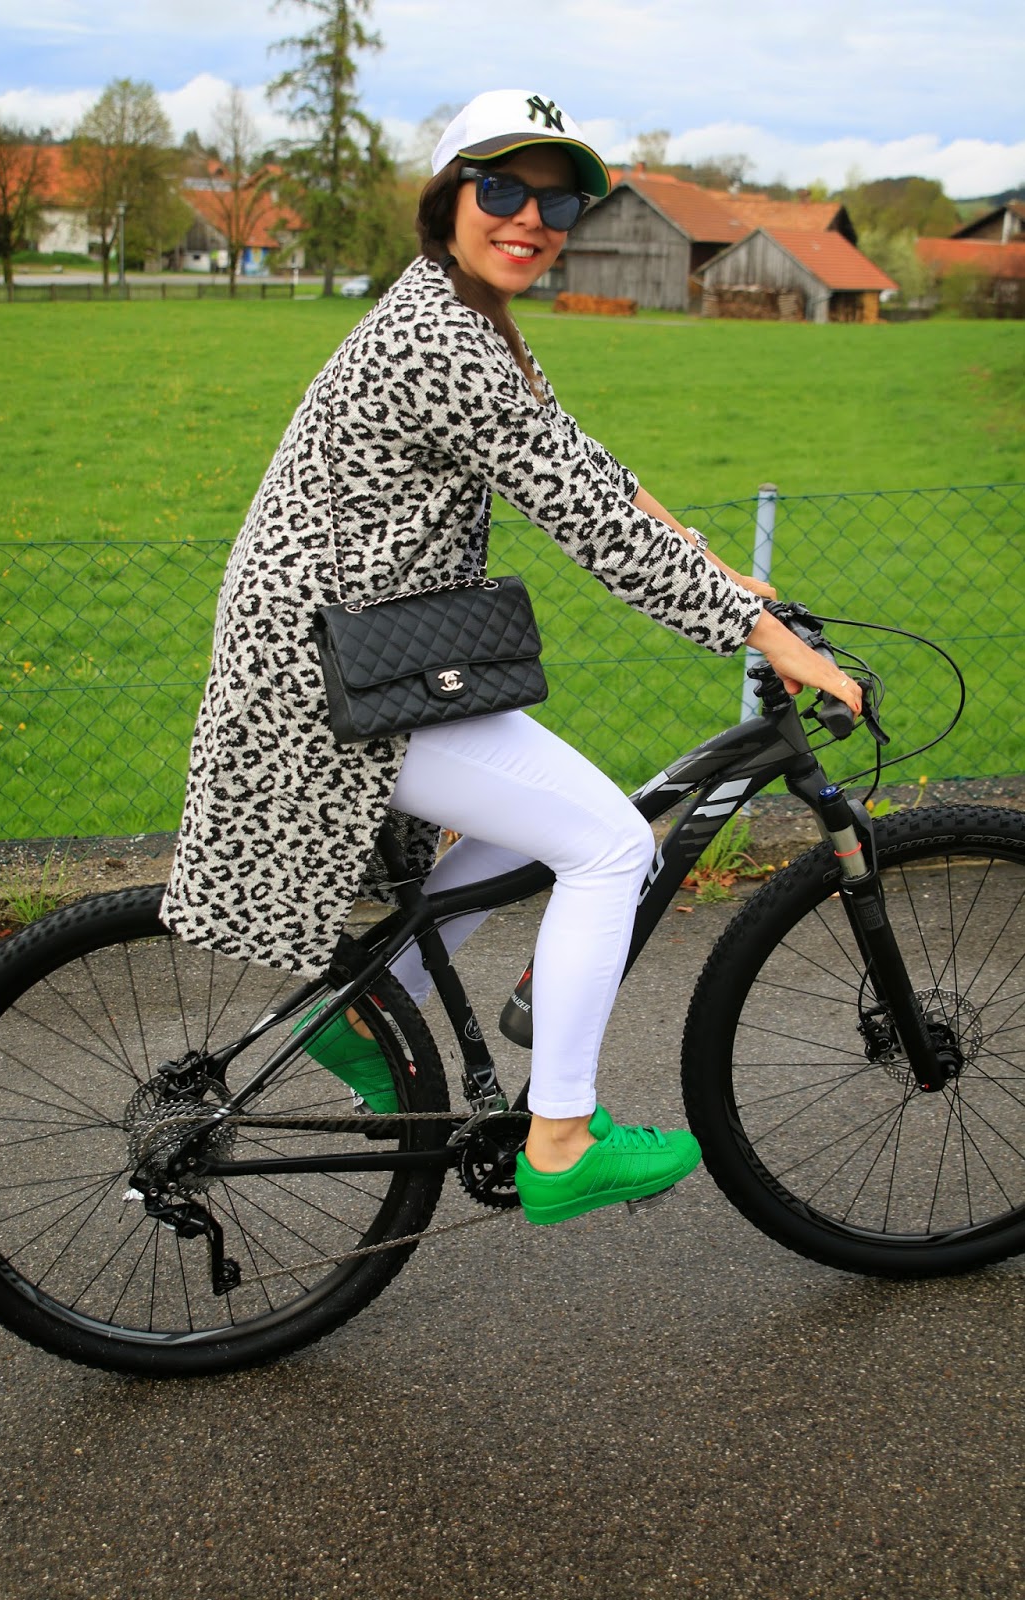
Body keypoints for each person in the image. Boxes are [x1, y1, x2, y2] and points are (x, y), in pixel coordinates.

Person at [161, 89, 863, 1227]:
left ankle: (365, 1008)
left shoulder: (471, 318)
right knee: (607, 845)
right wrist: (766, 635)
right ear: (449, 200)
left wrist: (723, 570)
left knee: (537, 825)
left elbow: (582, 465)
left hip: (371, 660)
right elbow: (590, 524)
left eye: (558, 201)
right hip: (331, 682)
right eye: (502, 189)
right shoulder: (441, 339)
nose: (530, 217)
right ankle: (562, 1140)